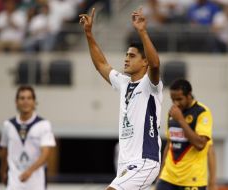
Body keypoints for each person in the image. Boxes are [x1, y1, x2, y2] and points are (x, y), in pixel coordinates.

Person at [79, 7, 163, 190]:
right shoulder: (124, 83)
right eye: (126, 55)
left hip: (144, 161)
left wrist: (142, 31)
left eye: (132, 56)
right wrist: (88, 33)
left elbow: (156, 64)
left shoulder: (151, 85)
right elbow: (101, 64)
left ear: (144, 62)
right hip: (125, 164)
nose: (126, 59)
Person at [156, 79, 213, 190]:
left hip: (192, 180)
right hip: (168, 178)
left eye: (179, 99)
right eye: (173, 100)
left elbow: (200, 145)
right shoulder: (173, 113)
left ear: (189, 95)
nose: (176, 103)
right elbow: (169, 145)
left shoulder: (202, 112)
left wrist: (181, 120)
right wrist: (161, 174)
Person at [0, 85, 56, 190]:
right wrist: (2, 172)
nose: (25, 101)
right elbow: (4, 152)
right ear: (16, 102)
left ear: (34, 102)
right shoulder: (8, 125)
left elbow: (46, 153)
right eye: (22, 98)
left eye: (29, 98)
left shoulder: (44, 124)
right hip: (14, 182)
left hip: (36, 183)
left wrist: (30, 171)